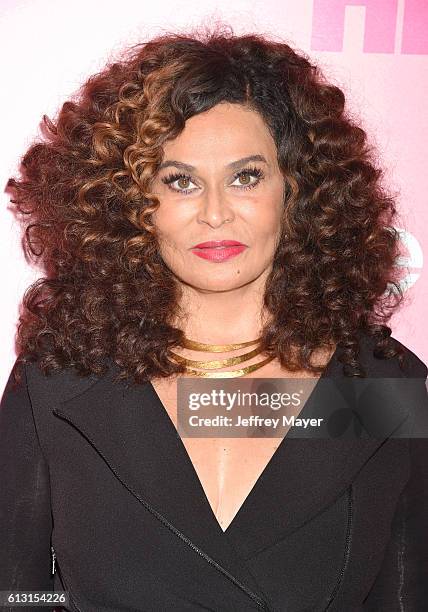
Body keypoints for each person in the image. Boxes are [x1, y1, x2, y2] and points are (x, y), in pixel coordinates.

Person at [1, 23, 427, 612]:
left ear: (296, 189)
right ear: (131, 204)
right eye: (180, 182)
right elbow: (16, 592)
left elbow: (403, 596)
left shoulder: (378, 387)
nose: (216, 214)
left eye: (246, 177)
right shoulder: (62, 375)